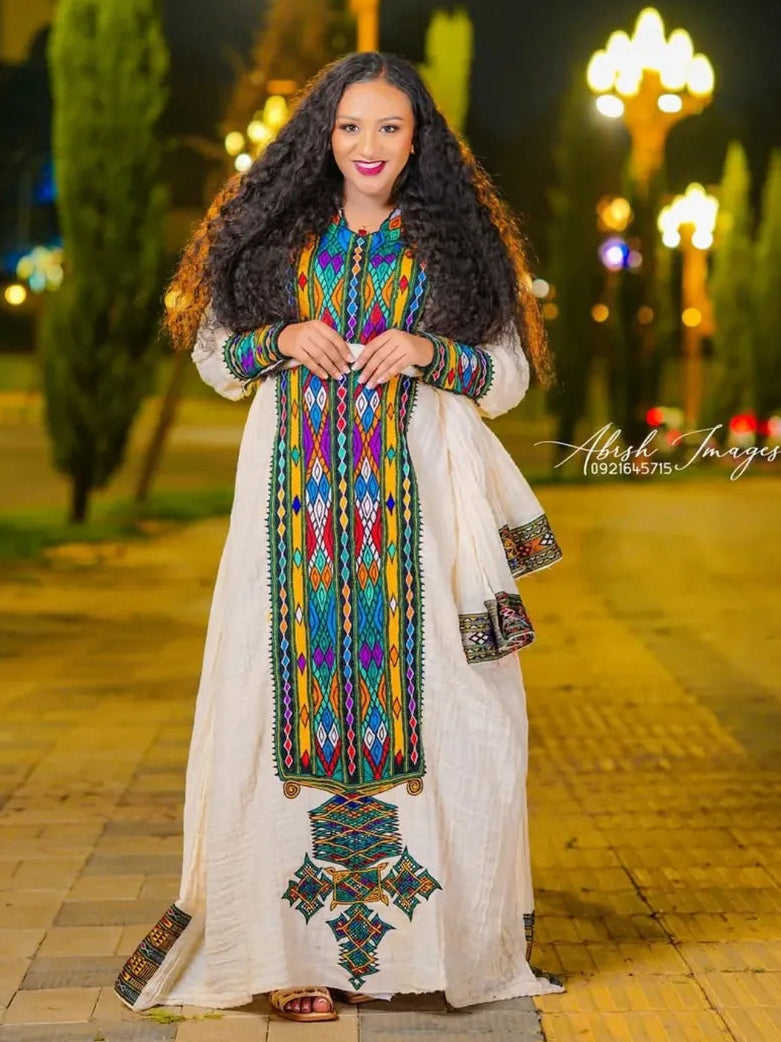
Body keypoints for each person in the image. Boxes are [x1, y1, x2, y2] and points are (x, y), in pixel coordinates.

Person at [114, 50, 565, 1024]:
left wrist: (427, 349)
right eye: (350, 127)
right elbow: (211, 353)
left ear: (419, 139)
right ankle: (281, 953)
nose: (368, 146)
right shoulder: (279, 235)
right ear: (323, 134)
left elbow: (509, 374)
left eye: (390, 128)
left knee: (462, 716)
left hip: (421, 528)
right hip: (290, 521)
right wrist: (276, 339)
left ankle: (438, 946)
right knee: (264, 713)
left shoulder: (450, 243)